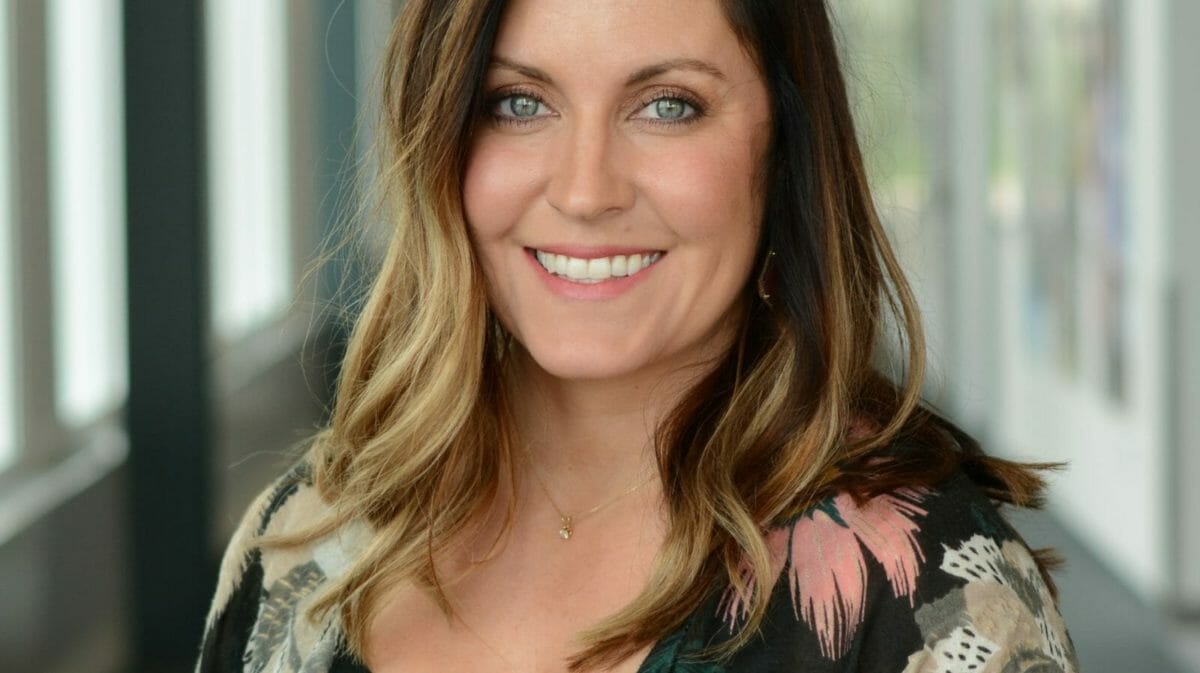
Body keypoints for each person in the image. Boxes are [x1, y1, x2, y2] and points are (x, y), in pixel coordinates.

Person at [197, 1, 1078, 672]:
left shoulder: (935, 592)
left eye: (667, 106)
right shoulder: (304, 538)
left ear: (782, 149)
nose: (586, 191)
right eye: (517, 102)